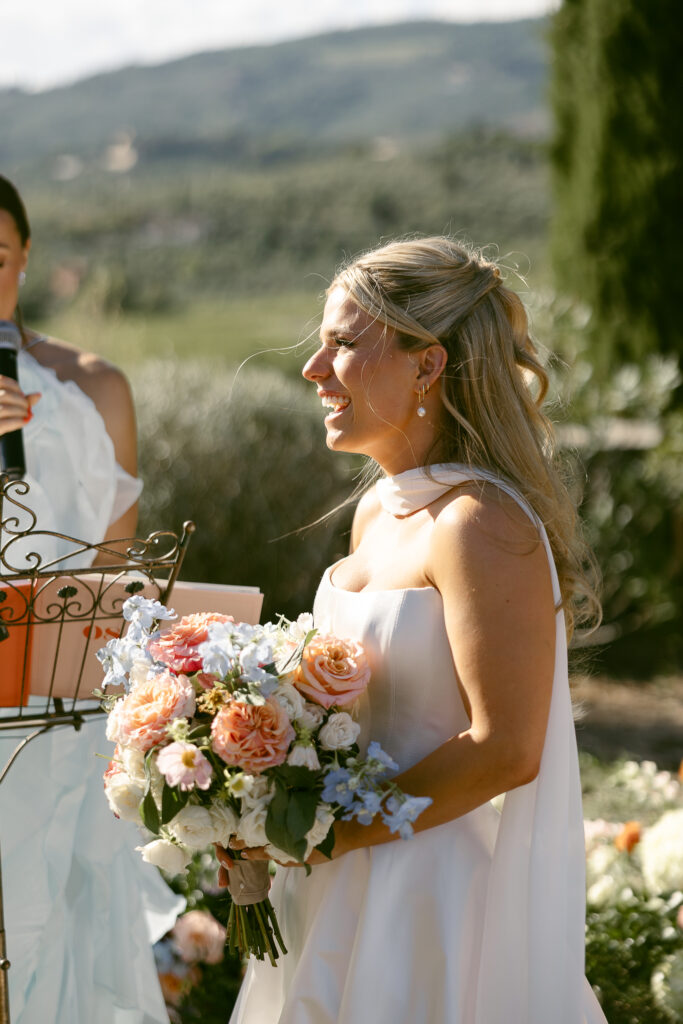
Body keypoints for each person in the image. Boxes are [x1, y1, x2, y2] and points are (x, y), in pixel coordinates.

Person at [218, 237, 608, 1023]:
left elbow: (506, 749)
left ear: (427, 365)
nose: (313, 370)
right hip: (329, 884)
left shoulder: (478, 523)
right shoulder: (377, 510)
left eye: (342, 344)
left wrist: (329, 833)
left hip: (426, 904)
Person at [0, 174, 181, 1024]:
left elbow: (114, 572)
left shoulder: (96, 386)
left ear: (26, 255)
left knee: (51, 930)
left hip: (56, 707)